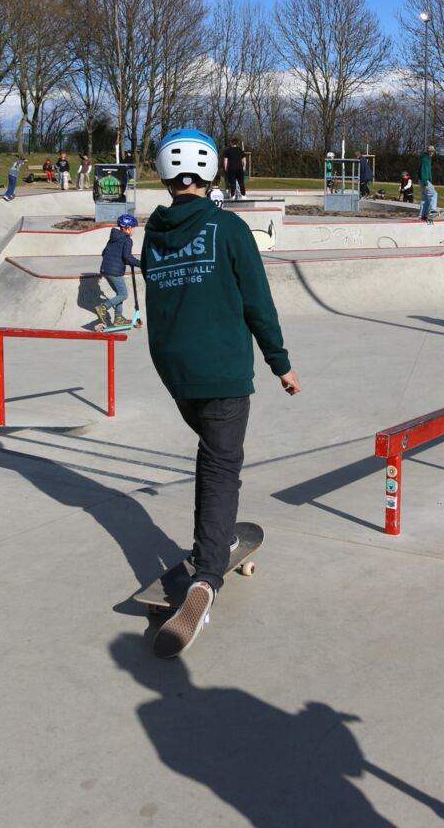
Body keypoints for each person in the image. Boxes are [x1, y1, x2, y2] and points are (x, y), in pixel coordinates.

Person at [142, 127, 300, 658]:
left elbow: (158, 310)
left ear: (164, 176)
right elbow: (258, 302)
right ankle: (207, 578)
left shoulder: (152, 234)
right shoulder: (229, 229)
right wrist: (281, 364)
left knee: (216, 456)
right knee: (219, 466)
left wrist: (167, 366)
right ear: (211, 174)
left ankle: (222, 535)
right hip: (224, 373)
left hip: (176, 372)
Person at [94, 213, 140, 329]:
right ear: (128, 228)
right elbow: (127, 256)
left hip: (105, 269)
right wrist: (141, 263)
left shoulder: (113, 238)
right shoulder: (127, 240)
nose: (134, 230)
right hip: (115, 272)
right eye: (133, 228)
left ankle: (118, 318)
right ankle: (103, 307)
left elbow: (104, 253)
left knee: (119, 294)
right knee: (123, 294)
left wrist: (120, 260)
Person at [418, 145, 438, 221]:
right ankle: (433, 210)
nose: (431, 153)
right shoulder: (426, 159)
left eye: (432, 151)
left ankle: (422, 215)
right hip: (424, 180)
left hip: (422, 180)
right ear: (427, 151)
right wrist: (425, 183)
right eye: (430, 151)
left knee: (425, 198)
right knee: (433, 194)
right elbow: (424, 171)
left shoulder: (426, 159)